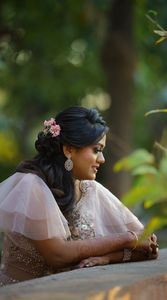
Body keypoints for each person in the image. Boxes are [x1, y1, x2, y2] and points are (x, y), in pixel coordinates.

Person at [0, 106, 158, 287]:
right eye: (96, 150)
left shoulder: (91, 190)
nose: (102, 159)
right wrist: (128, 239)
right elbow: (58, 255)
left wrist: (107, 257)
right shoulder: (31, 186)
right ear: (68, 149)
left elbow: (149, 246)